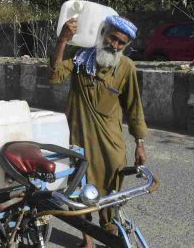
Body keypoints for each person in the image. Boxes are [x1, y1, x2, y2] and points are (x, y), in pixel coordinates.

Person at [49, 15, 148, 247]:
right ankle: (88, 240)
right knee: (79, 190)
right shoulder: (80, 60)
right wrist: (63, 40)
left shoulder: (126, 68)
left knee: (111, 192)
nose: (114, 45)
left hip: (110, 146)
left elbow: (134, 107)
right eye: (112, 38)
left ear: (126, 46)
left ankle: (110, 233)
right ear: (103, 34)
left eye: (121, 43)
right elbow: (54, 76)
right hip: (78, 139)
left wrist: (140, 143)